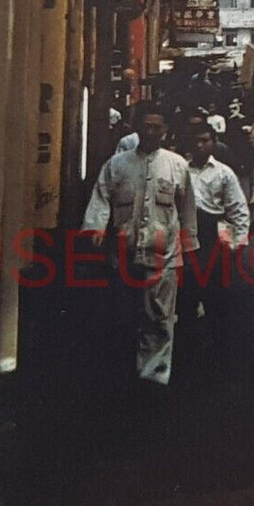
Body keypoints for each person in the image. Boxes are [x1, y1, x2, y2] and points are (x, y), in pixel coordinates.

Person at [81, 102, 199, 386]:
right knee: (125, 313)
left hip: (164, 254)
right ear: (136, 128)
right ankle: (124, 373)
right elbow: (101, 197)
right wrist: (96, 228)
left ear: (166, 130)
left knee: (159, 315)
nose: (151, 132)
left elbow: (186, 210)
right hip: (123, 253)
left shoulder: (177, 165)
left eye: (157, 127)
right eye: (145, 126)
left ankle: (154, 376)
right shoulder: (117, 165)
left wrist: (190, 247)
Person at [182, 124, 251, 333]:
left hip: (214, 233)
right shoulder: (180, 170)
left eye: (205, 140)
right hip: (187, 234)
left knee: (217, 292)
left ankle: (218, 342)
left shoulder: (224, 173)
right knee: (186, 291)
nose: (200, 145)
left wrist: (238, 242)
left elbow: (237, 208)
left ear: (214, 142)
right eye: (196, 140)